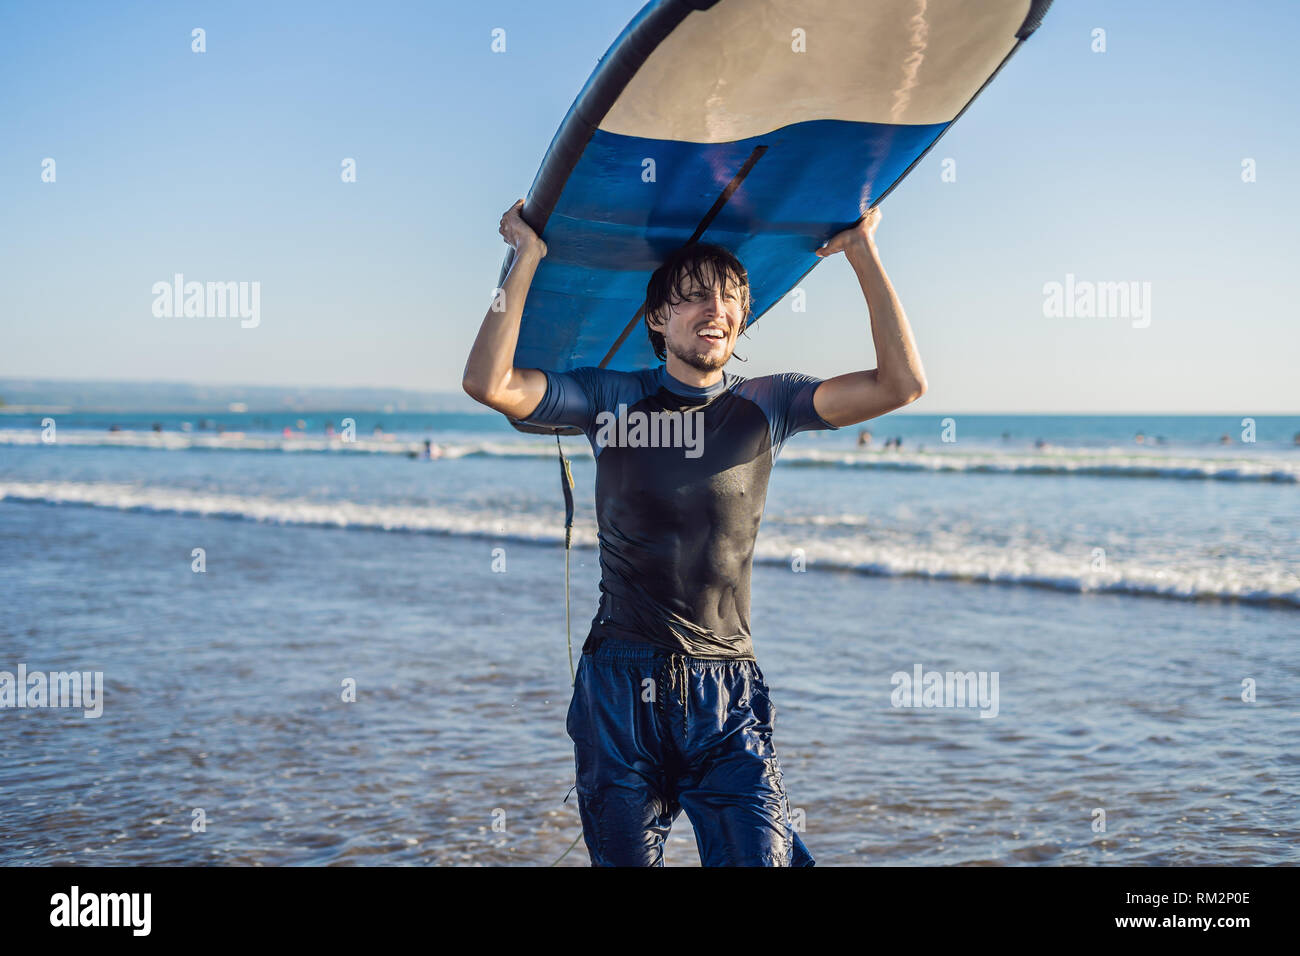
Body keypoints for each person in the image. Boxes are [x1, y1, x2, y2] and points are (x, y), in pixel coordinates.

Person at [463, 198, 927, 867]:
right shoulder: (609, 400)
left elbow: (902, 383)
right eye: (694, 297)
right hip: (620, 690)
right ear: (657, 317)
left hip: (726, 694)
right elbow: (489, 382)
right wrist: (526, 258)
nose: (717, 309)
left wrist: (862, 251)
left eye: (732, 297)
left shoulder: (769, 403)